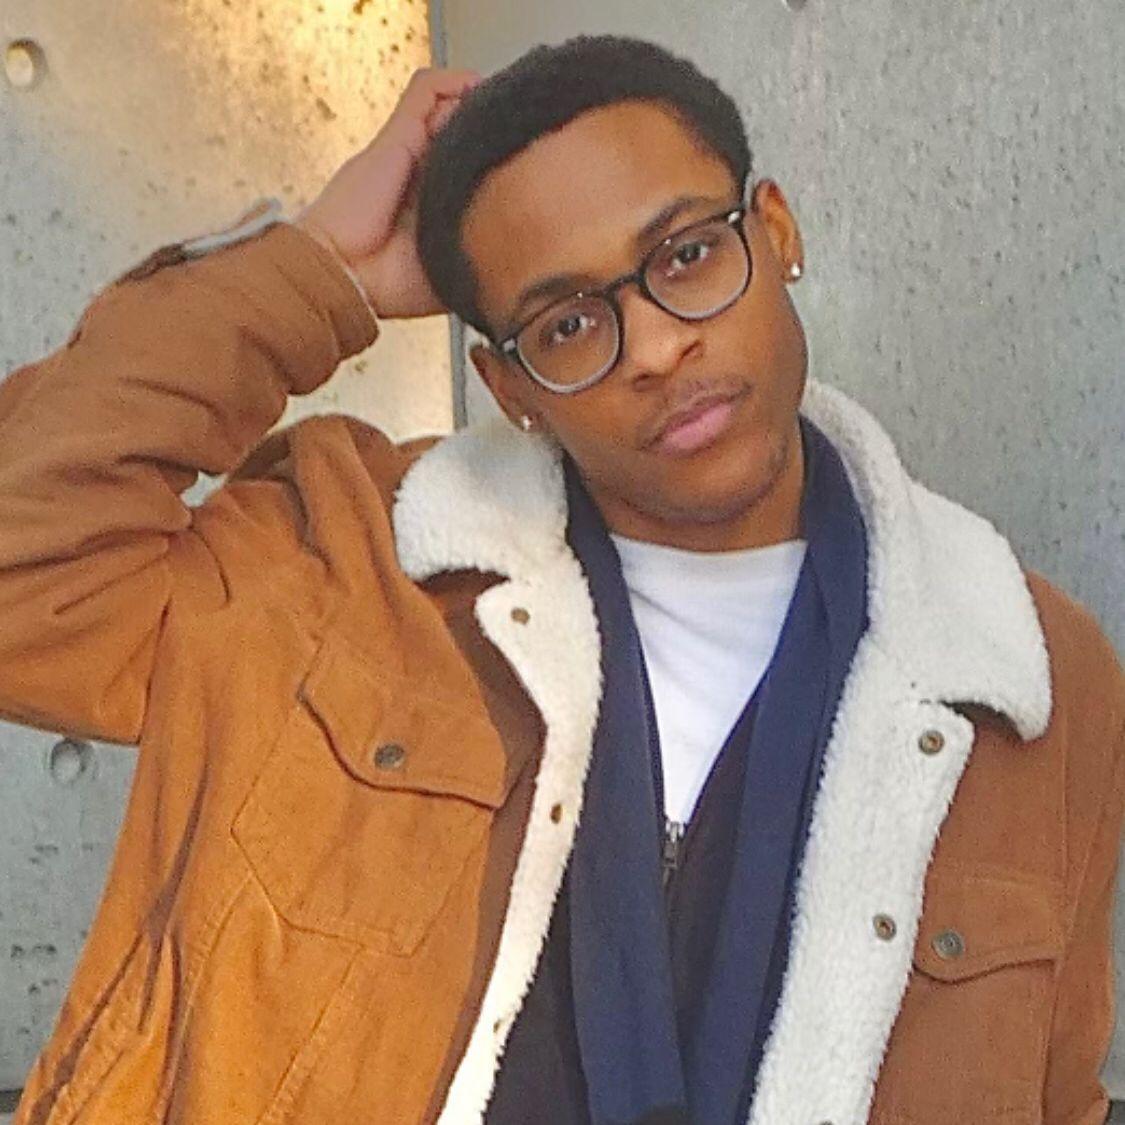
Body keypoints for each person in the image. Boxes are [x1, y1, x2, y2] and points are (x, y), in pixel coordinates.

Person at [0, 33, 1121, 1125]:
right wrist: (317, 270)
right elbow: (25, 572)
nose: (656, 349)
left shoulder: (1021, 675)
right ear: (509, 387)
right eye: (570, 322)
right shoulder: (348, 566)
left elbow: (1055, 1092)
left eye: (687, 256)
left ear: (776, 233)